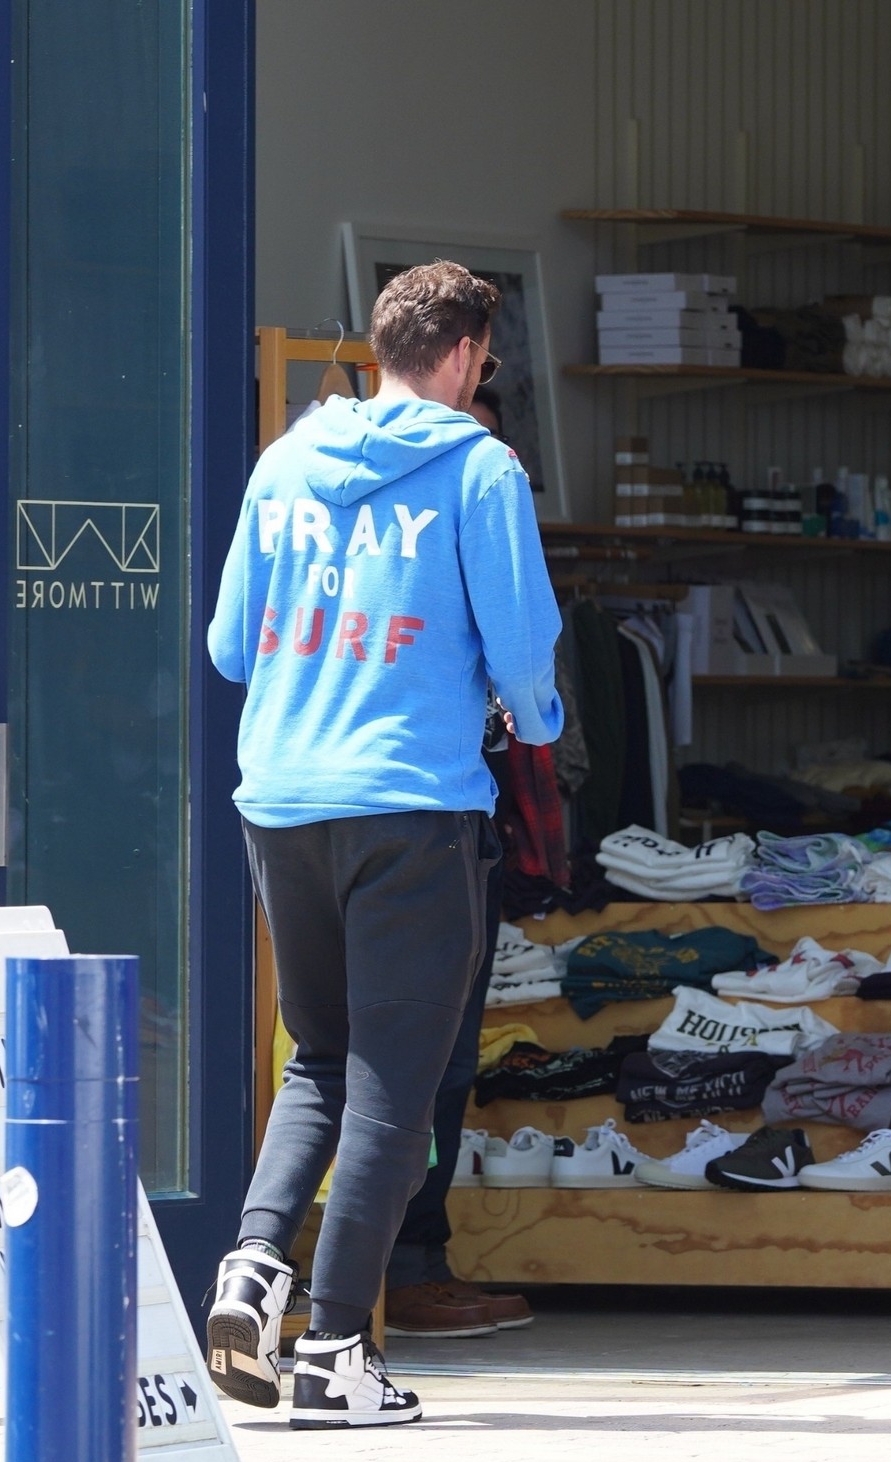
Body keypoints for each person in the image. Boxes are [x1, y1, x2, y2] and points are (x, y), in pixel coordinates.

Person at [202, 262, 562, 1426]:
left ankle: (253, 1267)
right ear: (462, 356)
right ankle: (334, 1352)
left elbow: (229, 646)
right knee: (395, 1086)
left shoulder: (285, 462)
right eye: (484, 360)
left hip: (282, 801)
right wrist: (536, 721)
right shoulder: (480, 469)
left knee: (320, 1057)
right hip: (412, 806)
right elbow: (524, 653)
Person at [380, 377, 534, 1341]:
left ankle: (396, 1261)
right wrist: (536, 712)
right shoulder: (426, 532)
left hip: (357, 808)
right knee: (409, 1056)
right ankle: (394, 1268)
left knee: (416, 1056)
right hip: (420, 810)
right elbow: (529, 681)